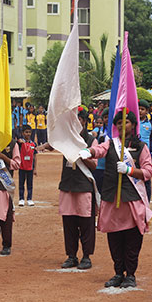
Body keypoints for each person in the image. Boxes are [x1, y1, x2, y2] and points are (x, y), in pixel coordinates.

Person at [78, 109, 152, 289]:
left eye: (125, 122)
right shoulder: (110, 144)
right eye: (119, 122)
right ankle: (118, 272)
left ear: (133, 125)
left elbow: (148, 172)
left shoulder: (141, 147)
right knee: (115, 239)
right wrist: (87, 152)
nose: (121, 125)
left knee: (132, 239)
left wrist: (129, 171)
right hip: (112, 198)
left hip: (132, 199)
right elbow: (99, 150)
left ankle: (130, 274)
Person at [53, 107, 97, 269]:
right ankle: (71, 255)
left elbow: (93, 165)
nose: (75, 122)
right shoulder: (66, 139)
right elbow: (52, 143)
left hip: (84, 186)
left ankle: (86, 256)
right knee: (69, 222)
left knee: (86, 223)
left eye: (78, 119)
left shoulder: (91, 140)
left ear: (84, 121)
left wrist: (81, 153)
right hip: (67, 185)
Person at [138, 99, 152, 202]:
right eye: (138, 109)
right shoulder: (133, 123)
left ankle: (147, 203)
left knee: (146, 179)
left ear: (147, 111)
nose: (140, 111)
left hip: (147, 156)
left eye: (142, 109)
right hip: (135, 155)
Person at [17, 125, 37, 206]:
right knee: (21, 183)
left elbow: (35, 157)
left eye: (29, 132)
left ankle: (29, 199)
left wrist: (35, 168)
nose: (28, 134)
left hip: (30, 167)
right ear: (22, 133)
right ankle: (21, 198)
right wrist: (19, 142)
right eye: (26, 132)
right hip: (22, 167)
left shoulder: (33, 144)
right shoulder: (20, 143)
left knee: (30, 184)